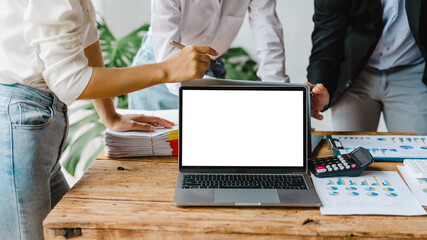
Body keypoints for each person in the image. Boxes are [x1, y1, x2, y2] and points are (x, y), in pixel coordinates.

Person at [0, 0, 218, 239]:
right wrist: (165, 70)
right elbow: (70, 81)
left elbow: (87, 36)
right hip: (18, 120)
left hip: (37, 122)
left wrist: (110, 115)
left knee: (65, 232)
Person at [129, 0, 290, 110]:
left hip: (212, 65)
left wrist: (281, 97)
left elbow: (267, 33)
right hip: (161, 72)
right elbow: (168, 61)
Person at [307, 0, 427, 135]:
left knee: (419, 150)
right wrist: (319, 88)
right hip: (355, 72)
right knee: (348, 149)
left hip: (414, 71)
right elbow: (326, 44)